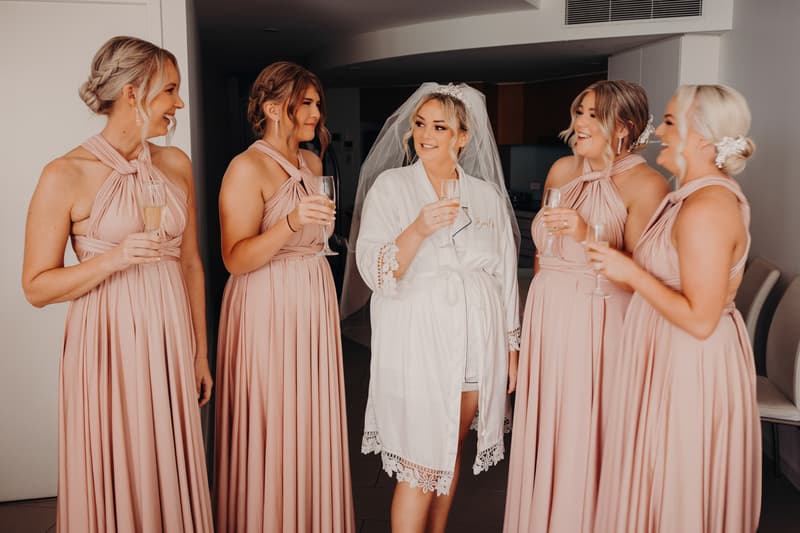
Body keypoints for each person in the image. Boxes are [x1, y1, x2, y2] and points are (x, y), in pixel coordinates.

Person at [21, 36, 213, 531]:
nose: (179, 103)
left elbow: (190, 262)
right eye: (169, 90)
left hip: (170, 337)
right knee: (120, 458)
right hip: (106, 346)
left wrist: (199, 351)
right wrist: (115, 260)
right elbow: (37, 287)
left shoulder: (176, 165)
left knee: (168, 460)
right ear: (133, 93)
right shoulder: (64, 173)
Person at [348, 83, 520, 533]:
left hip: (476, 341)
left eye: (439, 127)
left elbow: (504, 275)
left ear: (462, 137)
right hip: (418, 339)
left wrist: (511, 348)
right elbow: (374, 270)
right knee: (419, 460)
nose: (425, 134)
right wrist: (419, 228)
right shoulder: (393, 186)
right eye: (420, 124)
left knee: (450, 447)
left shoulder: (485, 195)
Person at [588, 84, 761, 532]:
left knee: (674, 481)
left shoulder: (707, 207)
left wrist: (630, 273)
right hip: (667, 350)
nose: (658, 132)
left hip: (689, 363)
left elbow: (701, 320)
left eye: (668, 122)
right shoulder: (688, 196)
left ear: (702, 139)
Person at [503, 80, 669, 533]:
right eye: (579, 112)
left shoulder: (647, 183)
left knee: (589, 429)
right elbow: (542, 253)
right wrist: (529, 319)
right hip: (548, 314)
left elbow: (642, 276)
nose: (578, 122)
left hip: (600, 319)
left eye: (592, 114)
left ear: (624, 127)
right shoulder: (561, 171)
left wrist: (586, 234)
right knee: (552, 429)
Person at [213, 61, 355, 533]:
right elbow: (235, 258)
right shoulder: (245, 168)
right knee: (272, 420)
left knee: (310, 422)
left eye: (318, 103)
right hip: (265, 305)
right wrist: (290, 223)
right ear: (274, 109)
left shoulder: (312, 164)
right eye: (306, 103)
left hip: (312, 297)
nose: (316, 113)